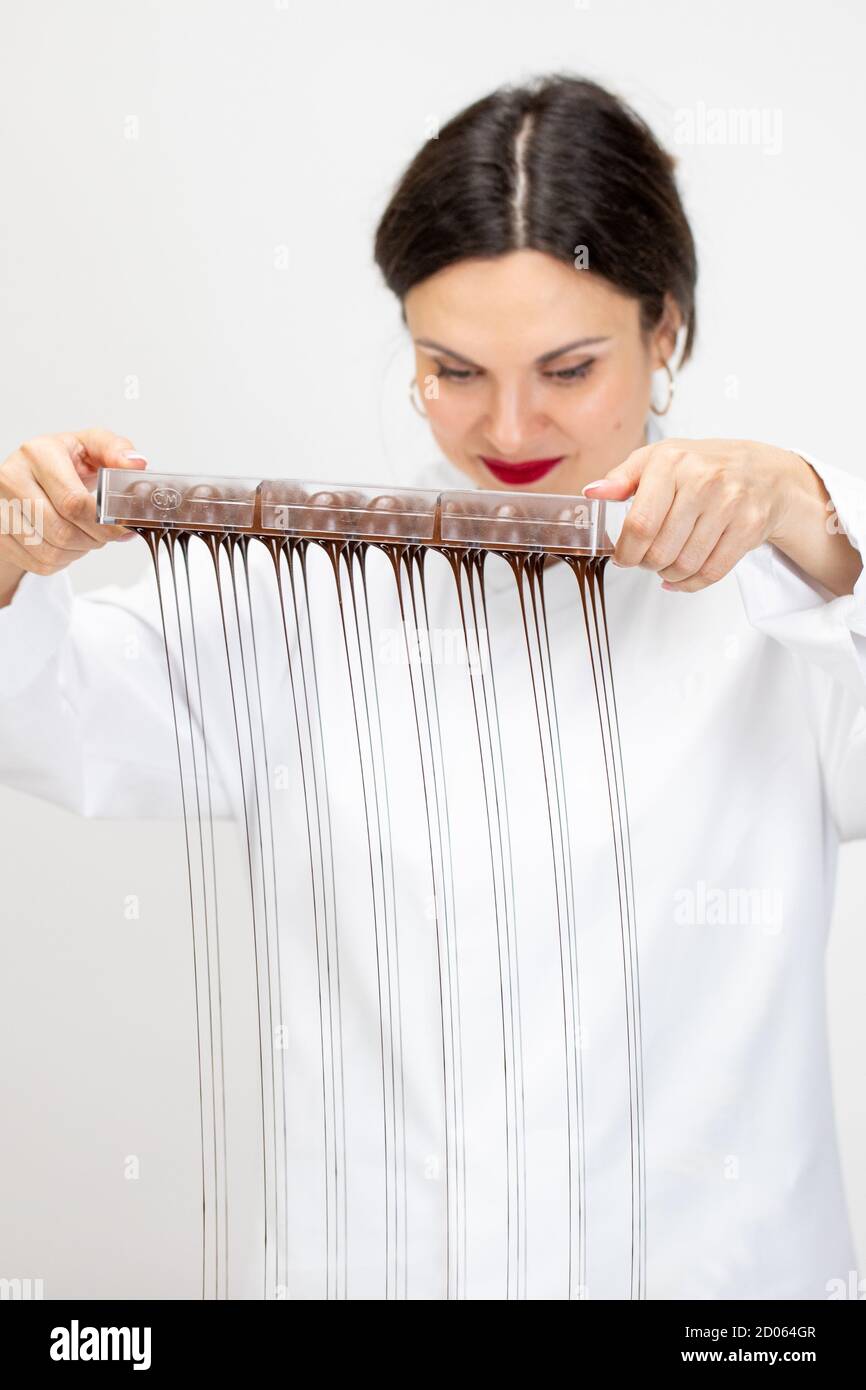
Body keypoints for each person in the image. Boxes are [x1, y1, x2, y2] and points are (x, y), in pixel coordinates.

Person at [1, 74, 864, 1300]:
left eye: (567, 368)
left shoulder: (791, 610)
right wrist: (8, 553)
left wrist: (809, 511)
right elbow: (51, 715)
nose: (506, 426)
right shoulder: (301, 600)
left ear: (663, 331)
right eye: (450, 369)